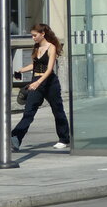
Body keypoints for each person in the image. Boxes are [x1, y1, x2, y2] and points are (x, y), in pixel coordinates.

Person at [11, 23, 71, 151]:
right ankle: (16, 137)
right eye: (32, 35)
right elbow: (35, 65)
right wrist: (21, 70)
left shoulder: (51, 47)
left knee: (57, 110)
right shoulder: (36, 47)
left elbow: (49, 69)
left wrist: (38, 82)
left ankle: (64, 138)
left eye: (34, 35)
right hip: (36, 80)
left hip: (50, 83)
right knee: (29, 111)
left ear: (42, 34)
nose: (33, 38)